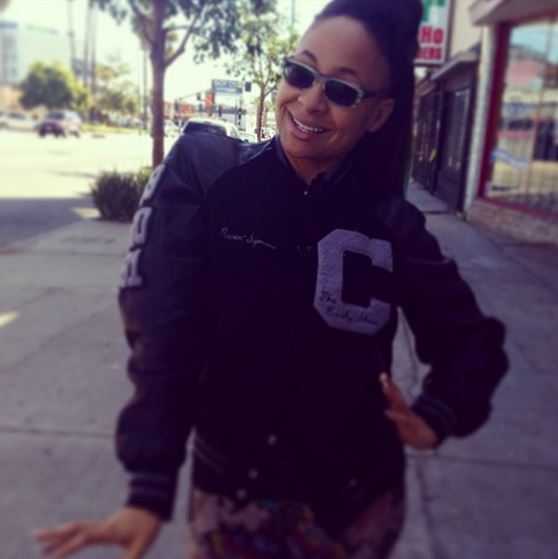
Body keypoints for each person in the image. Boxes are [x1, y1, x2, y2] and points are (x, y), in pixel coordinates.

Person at [35, 0, 508, 558]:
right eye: (300, 73)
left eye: (343, 90)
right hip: (232, 506)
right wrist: (148, 487)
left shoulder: (392, 223)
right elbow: (163, 332)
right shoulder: (206, 177)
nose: (310, 100)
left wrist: (437, 415)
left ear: (379, 114)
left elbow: (472, 342)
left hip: (356, 507)